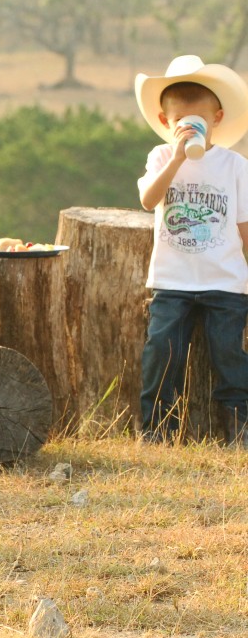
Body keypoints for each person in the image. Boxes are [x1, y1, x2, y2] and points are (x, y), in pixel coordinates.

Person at [134, 54, 248, 446]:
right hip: (173, 281)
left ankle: (239, 429)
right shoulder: (161, 156)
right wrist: (178, 156)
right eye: (181, 121)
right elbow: (149, 200)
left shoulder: (235, 166)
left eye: (198, 121)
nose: (189, 128)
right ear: (165, 122)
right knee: (161, 355)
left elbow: (244, 226)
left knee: (230, 357)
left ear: (217, 118)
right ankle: (156, 431)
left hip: (225, 282)